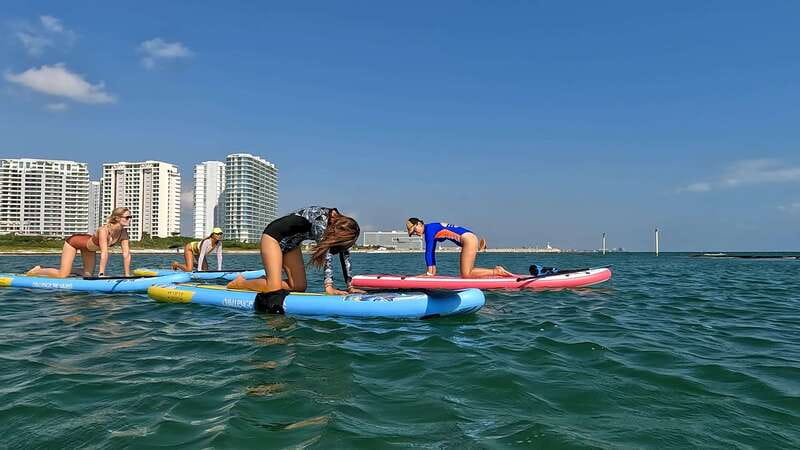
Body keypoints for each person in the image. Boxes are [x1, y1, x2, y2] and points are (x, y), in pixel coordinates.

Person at [227, 206, 365, 294]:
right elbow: (326, 255)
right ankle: (241, 283)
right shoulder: (322, 222)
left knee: (299, 286)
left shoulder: (337, 225)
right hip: (273, 238)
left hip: (291, 245)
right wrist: (328, 287)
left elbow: (345, 255)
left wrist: (350, 285)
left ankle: (266, 281)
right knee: (273, 288)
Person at [26, 207, 132, 278]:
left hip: (89, 248)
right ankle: (38, 270)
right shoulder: (104, 230)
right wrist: (101, 274)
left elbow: (126, 254)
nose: (129, 219)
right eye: (127, 217)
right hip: (74, 242)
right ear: (117, 218)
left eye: (130, 217)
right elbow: (104, 253)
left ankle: (72, 270)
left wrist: (127, 276)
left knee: (87, 276)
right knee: (62, 275)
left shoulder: (123, 233)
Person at [406, 217, 512, 278]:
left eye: (415, 230)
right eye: (412, 233)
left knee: (466, 274)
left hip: (468, 240)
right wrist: (431, 272)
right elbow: (431, 251)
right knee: (468, 272)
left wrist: (429, 273)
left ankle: (497, 272)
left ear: (419, 224)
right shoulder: (432, 227)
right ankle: (491, 274)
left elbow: (429, 252)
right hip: (469, 238)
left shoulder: (429, 231)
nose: (415, 233)